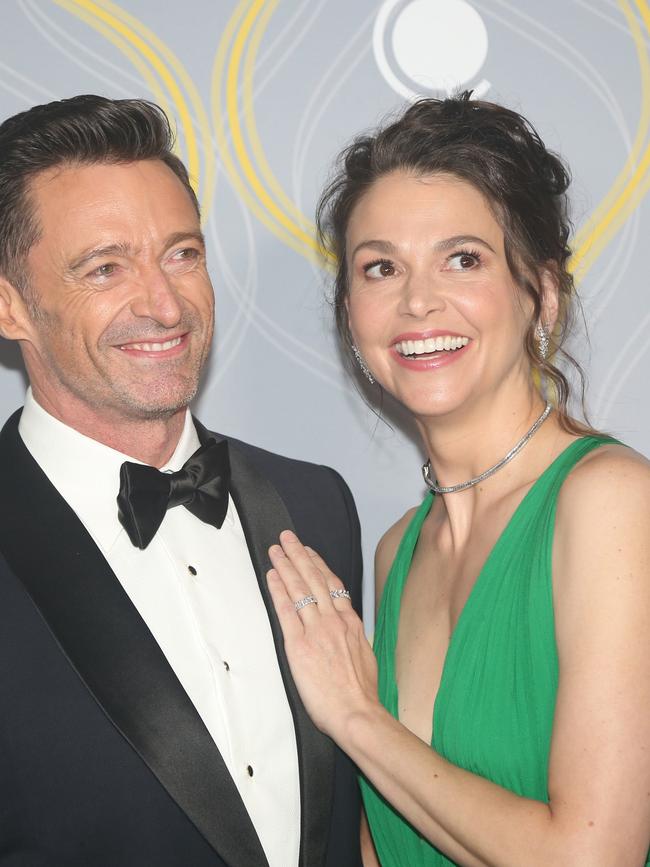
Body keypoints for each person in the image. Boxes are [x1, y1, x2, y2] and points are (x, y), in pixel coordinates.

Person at [265, 94, 650, 866]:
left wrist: (357, 716)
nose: (417, 300)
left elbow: (590, 855)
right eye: (381, 267)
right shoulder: (395, 551)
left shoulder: (610, 501)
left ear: (542, 296)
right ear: (351, 318)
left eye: (462, 258)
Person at [0, 95, 362, 867]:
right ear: (9, 305)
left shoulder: (317, 504)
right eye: (105, 267)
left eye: (182, 253)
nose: (164, 304)